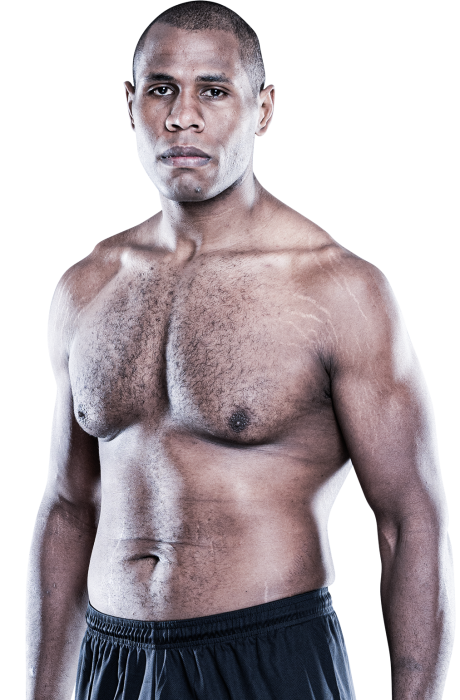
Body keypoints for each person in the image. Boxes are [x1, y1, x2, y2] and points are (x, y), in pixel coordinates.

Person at [25, 2, 455, 698]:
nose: (183, 117)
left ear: (263, 109)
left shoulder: (337, 289)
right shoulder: (88, 286)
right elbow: (69, 507)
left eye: (214, 90)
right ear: (131, 106)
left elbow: (410, 521)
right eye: (161, 89)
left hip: (267, 658)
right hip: (112, 663)